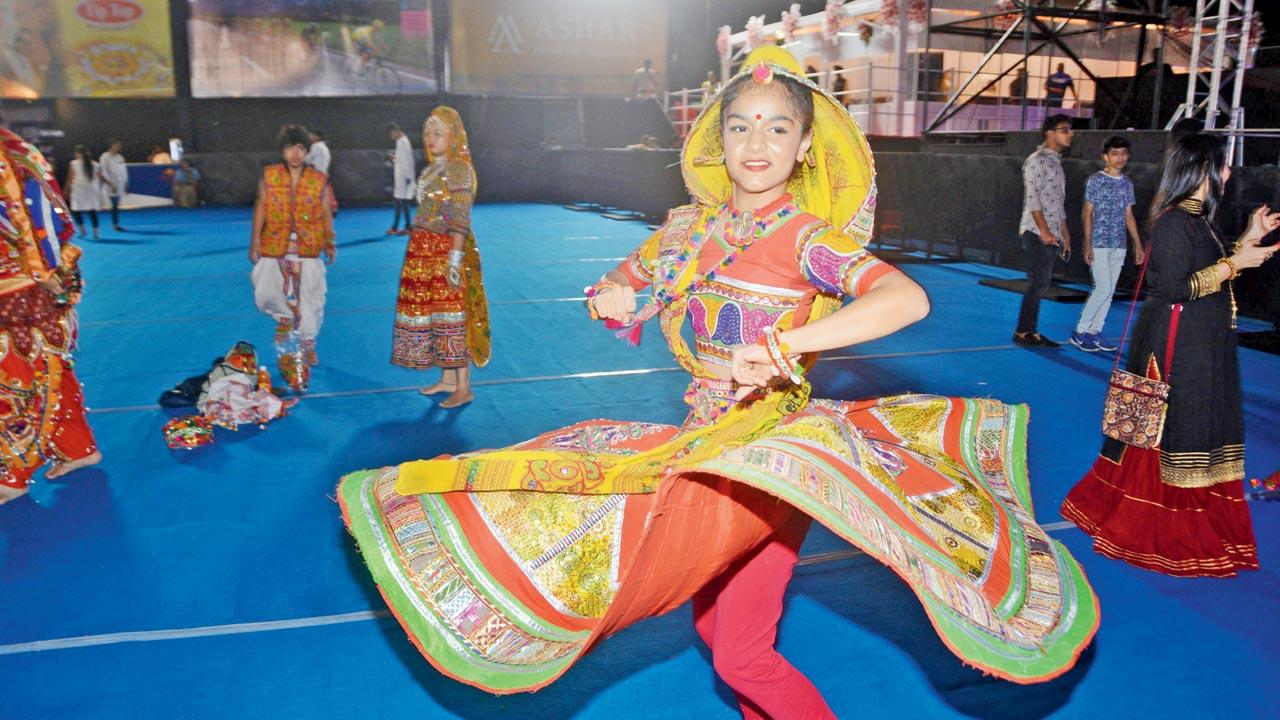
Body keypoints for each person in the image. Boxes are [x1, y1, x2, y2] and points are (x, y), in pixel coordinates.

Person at [337, 47, 1098, 715]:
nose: (756, 142)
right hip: (703, 444)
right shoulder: (686, 230)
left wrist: (785, 345)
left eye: (777, 127)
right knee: (717, 631)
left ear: (804, 146)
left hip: (770, 456)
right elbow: (626, 288)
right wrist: (612, 300)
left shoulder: (807, 239)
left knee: (740, 655)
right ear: (718, 140)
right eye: (741, 125)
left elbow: (906, 298)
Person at [1062, 133, 1280, 577]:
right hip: (1178, 345)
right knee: (1175, 429)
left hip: (1201, 339)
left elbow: (1204, 273)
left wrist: (1247, 240)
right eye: (1222, 165)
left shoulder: (1197, 220)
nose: (1229, 173)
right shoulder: (1175, 221)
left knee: (1191, 426)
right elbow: (1176, 287)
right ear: (1203, 170)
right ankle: (1154, 528)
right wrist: (1238, 263)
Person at [0, 127, 101, 504]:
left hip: (16, 290)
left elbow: (30, 226)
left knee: (14, 378)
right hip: (35, 285)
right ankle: (77, 448)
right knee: (52, 367)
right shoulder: (18, 148)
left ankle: (14, 473)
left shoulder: (8, 157)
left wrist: (44, 275)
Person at [391, 107, 490, 409]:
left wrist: (455, 259)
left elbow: (460, 218)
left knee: (453, 314)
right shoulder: (432, 169)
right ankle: (448, 379)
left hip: (447, 249)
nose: (430, 139)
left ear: (453, 136)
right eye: (427, 133)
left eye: (437, 133)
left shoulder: (459, 168)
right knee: (436, 314)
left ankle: (464, 387)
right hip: (423, 251)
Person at [249, 124, 336, 367]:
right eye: (289, 148)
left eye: (300, 148)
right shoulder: (269, 175)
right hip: (275, 243)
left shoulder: (319, 180)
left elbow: (326, 211)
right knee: (266, 290)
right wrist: (255, 240)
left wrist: (329, 242)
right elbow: (261, 206)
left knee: (311, 296)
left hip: (308, 246)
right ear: (282, 151)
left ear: (308, 151)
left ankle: (309, 343)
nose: (295, 154)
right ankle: (285, 317)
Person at [1071, 136, 1145, 352]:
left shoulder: (1127, 183)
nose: (1120, 157)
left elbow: (1129, 215)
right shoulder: (1095, 180)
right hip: (1099, 243)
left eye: (1124, 153)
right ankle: (1080, 331)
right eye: (1115, 153)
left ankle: (1094, 331)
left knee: (1110, 290)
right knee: (1102, 288)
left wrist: (1137, 244)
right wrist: (1087, 243)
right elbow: (1088, 213)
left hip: (1119, 243)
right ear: (1105, 156)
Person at [1013, 113, 1073, 347]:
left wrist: (1064, 233)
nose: (1070, 135)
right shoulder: (1036, 160)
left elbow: (1058, 202)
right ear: (1050, 133)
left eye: (1070, 130)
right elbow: (1033, 199)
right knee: (1039, 281)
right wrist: (1045, 231)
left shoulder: (1056, 162)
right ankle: (1022, 331)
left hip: (1051, 231)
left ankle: (1030, 330)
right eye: (1064, 130)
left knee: (1042, 282)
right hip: (1037, 231)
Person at [66, 144, 100, 239]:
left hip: (78, 190)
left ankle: (82, 231)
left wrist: (66, 190)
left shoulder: (73, 163)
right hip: (90, 190)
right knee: (91, 212)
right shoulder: (94, 164)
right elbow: (99, 176)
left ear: (78, 153)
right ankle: (95, 233)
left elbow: (70, 178)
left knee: (76, 211)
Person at [387, 123, 414, 235]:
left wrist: (408, 178)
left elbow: (406, 162)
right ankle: (396, 227)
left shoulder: (403, 142)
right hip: (401, 179)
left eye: (391, 135)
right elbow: (402, 159)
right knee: (399, 202)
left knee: (403, 203)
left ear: (396, 131)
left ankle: (408, 227)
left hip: (404, 178)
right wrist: (395, 158)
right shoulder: (401, 141)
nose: (391, 137)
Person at [98, 139, 127, 232]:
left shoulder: (120, 157)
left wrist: (125, 182)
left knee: (116, 205)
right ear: (111, 145)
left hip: (119, 184)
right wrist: (110, 184)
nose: (118, 147)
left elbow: (124, 171)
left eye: (119, 145)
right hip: (110, 185)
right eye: (116, 145)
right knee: (114, 205)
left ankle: (116, 224)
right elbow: (103, 172)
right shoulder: (104, 157)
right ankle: (115, 224)